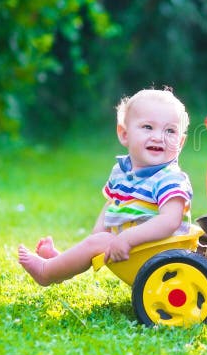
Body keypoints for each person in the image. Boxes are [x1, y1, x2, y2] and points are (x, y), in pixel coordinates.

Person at [18, 88, 193, 286]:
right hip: (135, 248)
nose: (158, 137)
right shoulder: (122, 172)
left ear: (180, 142)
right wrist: (97, 235)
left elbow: (170, 221)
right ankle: (61, 263)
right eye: (147, 127)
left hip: (158, 252)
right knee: (96, 241)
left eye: (170, 130)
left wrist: (126, 238)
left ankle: (47, 272)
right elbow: (112, 203)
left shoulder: (169, 179)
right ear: (124, 134)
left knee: (97, 242)